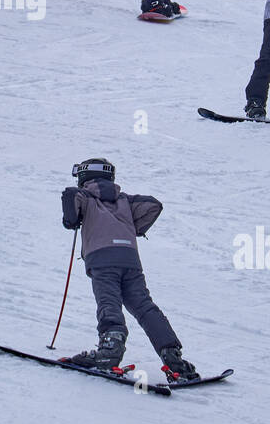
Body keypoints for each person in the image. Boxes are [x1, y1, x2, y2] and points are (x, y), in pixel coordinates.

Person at [60, 158, 199, 383]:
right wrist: (135, 227)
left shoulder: (85, 196)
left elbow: (69, 196)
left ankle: (110, 349)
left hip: (102, 258)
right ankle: (172, 356)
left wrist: (71, 219)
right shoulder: (124, 200)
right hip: (130, 259)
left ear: (83, 177)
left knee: (109, 301)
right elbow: (153, 205)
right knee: (144, 305)